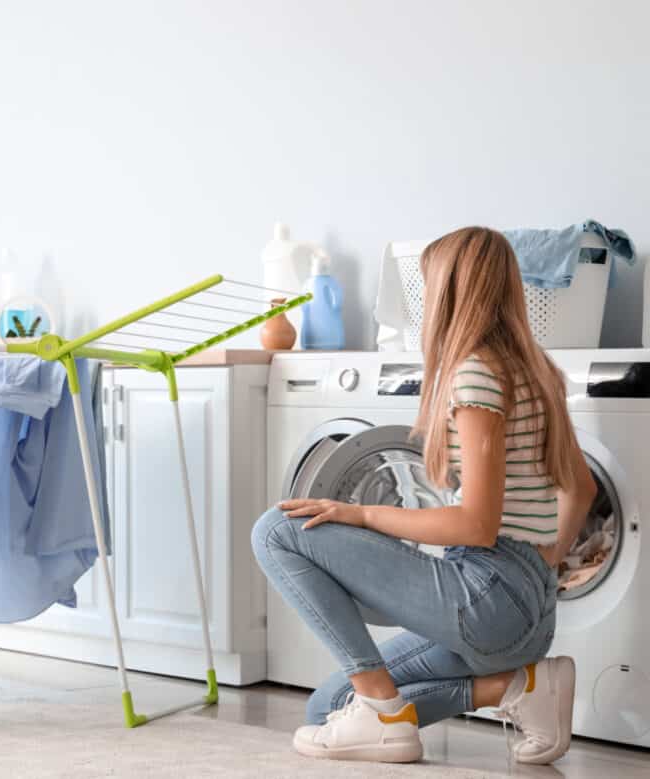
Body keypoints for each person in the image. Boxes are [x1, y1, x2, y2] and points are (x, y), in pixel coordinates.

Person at [252, 226, 597, 764]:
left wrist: (363, 512)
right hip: (526, 606)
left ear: (451, 291)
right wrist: (544, 563)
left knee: (275, 530)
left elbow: (475, 526)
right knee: (329, 707)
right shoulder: (537, 369)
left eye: (428, 286)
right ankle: (514, 689)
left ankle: (383, 716)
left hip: (489, 595)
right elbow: (583, 485)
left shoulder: (476, 374)